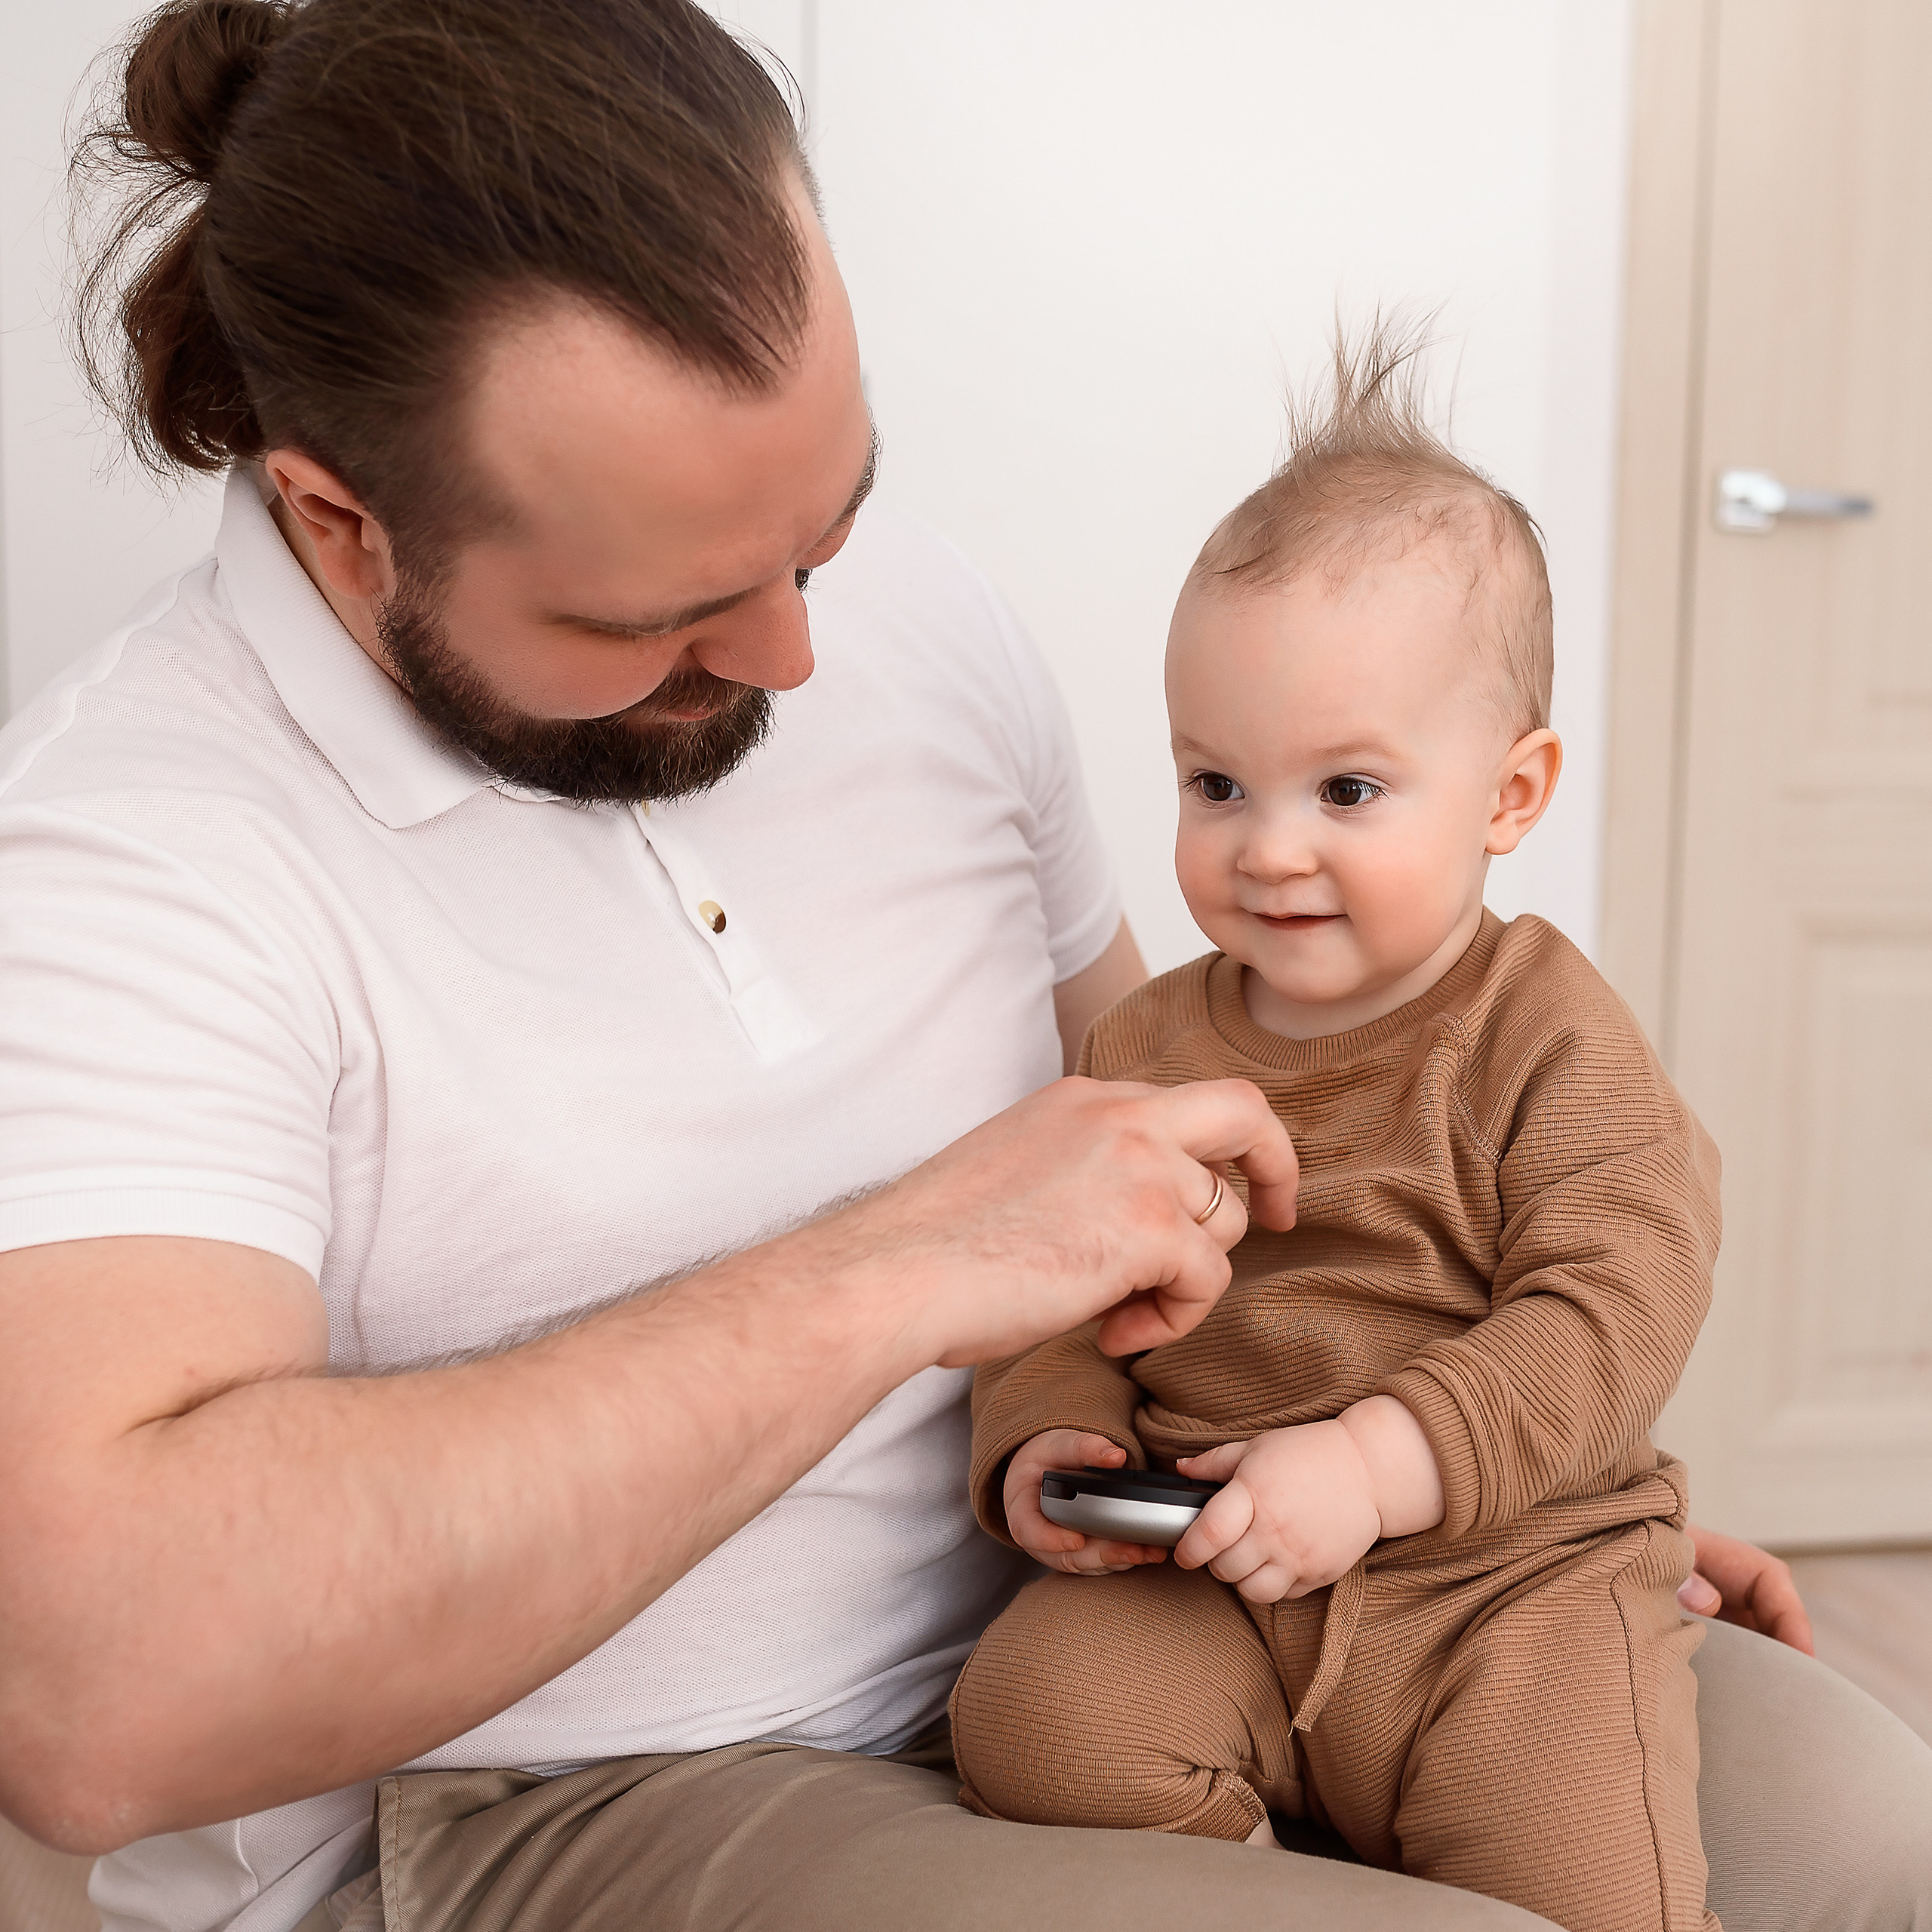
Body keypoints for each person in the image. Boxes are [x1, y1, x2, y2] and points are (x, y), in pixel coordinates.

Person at [0, 5, 1921, 1932]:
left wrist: (1500, 1478)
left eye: (817, 541)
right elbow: (91, 1701)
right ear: (347, 522)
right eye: (660, 615)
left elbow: (1196, 1182)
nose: (798, 660)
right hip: (591, 1787)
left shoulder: (913, 613)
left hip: (1166, 1579)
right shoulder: (136, 855)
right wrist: (901, 1261)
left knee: (1864, 1840)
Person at [952, 337, 1718, 1930]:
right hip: (1210, 1562)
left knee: (1595, 1882)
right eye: (1214, 781)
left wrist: (1379, 1462)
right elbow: (1055, 1294)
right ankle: (1270, 1875)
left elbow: (1606, 1316)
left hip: (1501, 1580)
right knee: (1032, 1716)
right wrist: (1049, 1433)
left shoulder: (1550, 1039)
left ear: (1508, 795)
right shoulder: (1144, 1042)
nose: (1267, 847)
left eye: (1347, 790)